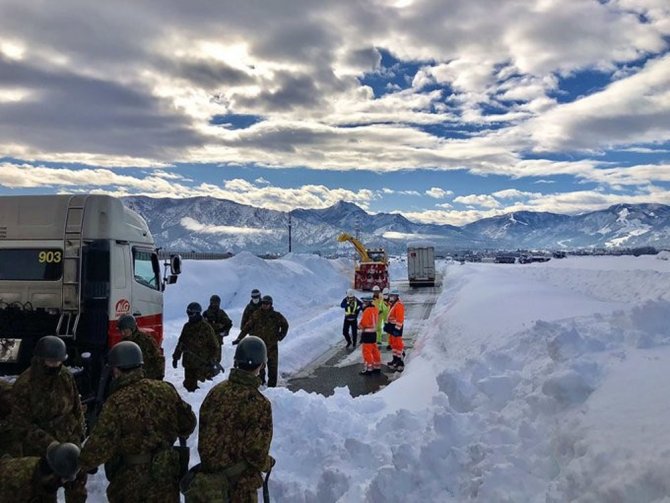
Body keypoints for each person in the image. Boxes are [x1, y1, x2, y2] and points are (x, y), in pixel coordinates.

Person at [80, 341, 197, 503]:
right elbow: (188, 423)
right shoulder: (165, 390)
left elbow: (99, 446)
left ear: (116, 370)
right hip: (166, 478)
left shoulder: (116, 402)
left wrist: (79, 463)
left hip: (131, 484)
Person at [190, 336, 274, 502]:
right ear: (262, 365)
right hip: (240, 488)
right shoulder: (259, 403)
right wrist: (267, 463)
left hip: (209, 487)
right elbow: (256, 453)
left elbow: (204, 433)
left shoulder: (215, 392)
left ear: (236, 360)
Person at [11, 335, 87, 503]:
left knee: (77, 485)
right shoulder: (25, 384)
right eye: (51, 361)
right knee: (43, 490)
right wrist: (50, 444)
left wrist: (80, 431)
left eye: (59, 361)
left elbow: (76, 406)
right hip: (41, 446)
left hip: (69, 439)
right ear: (40, 359)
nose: (56, 365)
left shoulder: (65, 376)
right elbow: (21, 424)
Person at [234, 295, 288, 387]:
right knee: (259, 367)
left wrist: (279, 336)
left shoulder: (276, 316)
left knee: (273, 368)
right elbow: (247, 327)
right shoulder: (256, 314)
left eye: (267, 303)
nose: (265, 305)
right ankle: (260, 385)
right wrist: (239, 338)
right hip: (258, 346)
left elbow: (285, 325)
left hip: (272, 347)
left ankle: (272, 388)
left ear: (270, 304)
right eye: (263, 303)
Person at [0, 441, 81, 503]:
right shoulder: (15, 481)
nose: (63, 482)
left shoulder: (45, 476)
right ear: (53, 475)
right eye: (63, 479)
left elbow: (46, 495)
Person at [172, 302, 219, 392]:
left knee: (200, 390)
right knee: (188, 388)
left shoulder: (206, 328)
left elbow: (215, 346)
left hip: (201, 364)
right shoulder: (187, 327)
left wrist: (213, 359)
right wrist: (176, 357)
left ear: (197, 313)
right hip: (189, 363)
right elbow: (181, 342)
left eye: (191, 314)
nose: (189, 316)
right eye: (188, 313)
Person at [117, 314, 165, 380]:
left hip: (148, 377)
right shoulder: (124, 343)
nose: (123, 333)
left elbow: (158, 357)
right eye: (121, 331)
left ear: (132, 328)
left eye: (125, 331)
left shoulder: (145, 339)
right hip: (133, 379)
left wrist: (160, 376)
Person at [203, 294, 233, 367]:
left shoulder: (221, 313)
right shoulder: (206, 313)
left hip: (218, 340)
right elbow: (203, 326)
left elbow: (229, 323)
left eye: (217, 303)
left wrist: (225, 332)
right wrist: (217, 326)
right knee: (206, 358)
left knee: (217, 359)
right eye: (214, 303)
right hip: (208, 340)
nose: (215, 305)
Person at [357, 296, 380, 375]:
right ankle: (377, 366)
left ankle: (369, 369)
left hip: (367, 334)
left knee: (367, 352)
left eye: (364, 302)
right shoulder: (375, 309)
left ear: (367, 302)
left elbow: (364, 323)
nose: (363, 304)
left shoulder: (367, 310)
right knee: (374, 350)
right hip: (373, 333)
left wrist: (359, 326)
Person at [386, 289, 406, 372]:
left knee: (398, 345)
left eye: (393, 296)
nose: (391, 297)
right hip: (392, 327)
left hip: (396, 328)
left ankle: (400, 361)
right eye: (391, 296)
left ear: (397, 296)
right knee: (393, 344)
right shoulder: (393, 304)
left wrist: (397, 330)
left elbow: (400, 319)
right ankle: (395, 359)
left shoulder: (399, 305)